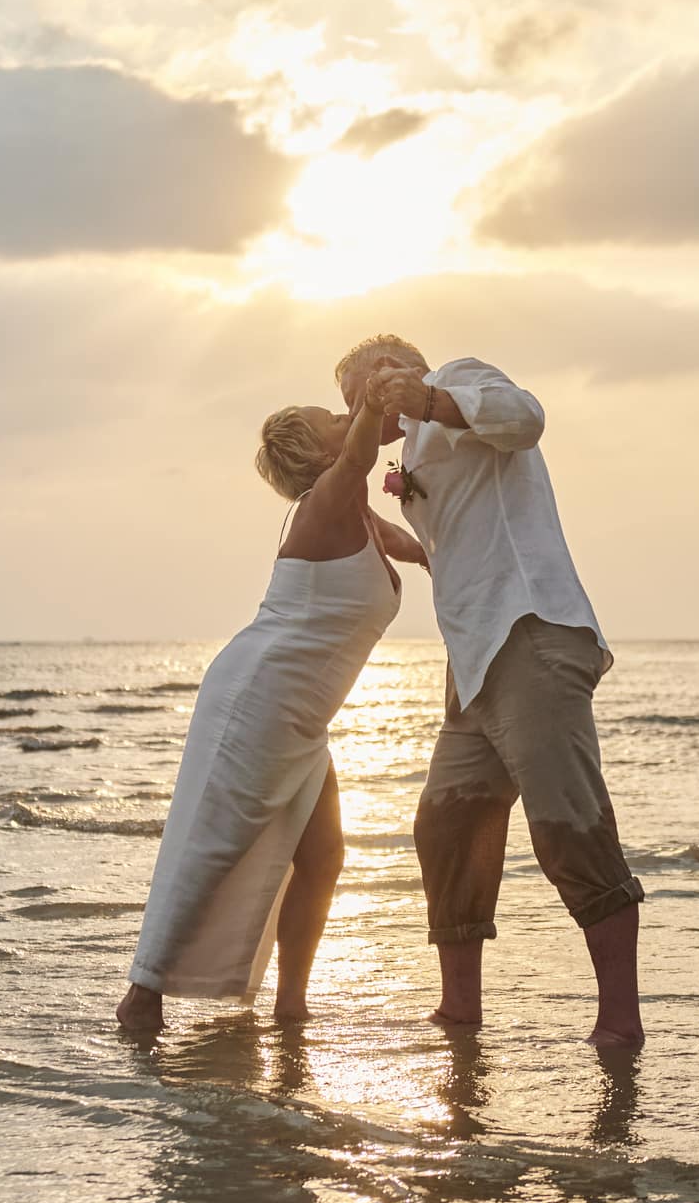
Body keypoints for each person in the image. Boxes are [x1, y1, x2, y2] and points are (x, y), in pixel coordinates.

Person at [336, 334, 646, 1048]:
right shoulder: (411, 449)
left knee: (568, 826)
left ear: (402, 368)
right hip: (472, 666)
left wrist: (432, 398)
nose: (370, 405)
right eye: (359, 399)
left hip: (529, 631)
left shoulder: (460, 382)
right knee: (445, 824)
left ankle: (620, 1022)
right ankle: (459, 1010)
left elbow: (526, 417)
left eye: (375, 385)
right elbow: (452, 541)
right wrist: (388, 533)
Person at [118, 379, 426, 1032]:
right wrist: (371, 399)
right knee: (212, 841)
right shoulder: (328, 499)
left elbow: (409, 546)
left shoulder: (359, 517)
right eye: (334, 419)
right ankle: (142, 996)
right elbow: (362, 457)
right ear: (318, 456)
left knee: (322, 856)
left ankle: (292, 1006)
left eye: (348, 412)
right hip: (258, 697)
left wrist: (446, 556)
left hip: (300, 715)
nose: (348, 419)